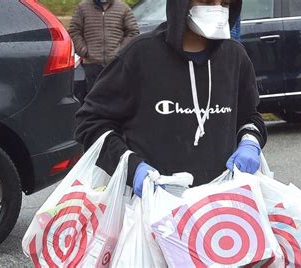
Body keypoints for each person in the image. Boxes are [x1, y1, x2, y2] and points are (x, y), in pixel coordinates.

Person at [75, 0, 267, 197]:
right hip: (152, 209)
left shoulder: (235, 57)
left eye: (225, 3)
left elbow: (250, 117)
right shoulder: (140, 55)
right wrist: (132, 167)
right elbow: (92, 121)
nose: (216, 8)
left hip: (218, 212)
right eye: (207, 1)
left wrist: (250, 141)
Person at [69, 0, 140, 100]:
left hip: (116, 64)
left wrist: (120, 52)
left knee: (117, 97)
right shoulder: (83, 7)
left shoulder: (123, 8)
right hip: (92, 64)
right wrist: (84, 51)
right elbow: (74, 31)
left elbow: (133, 32)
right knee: (94, 98)